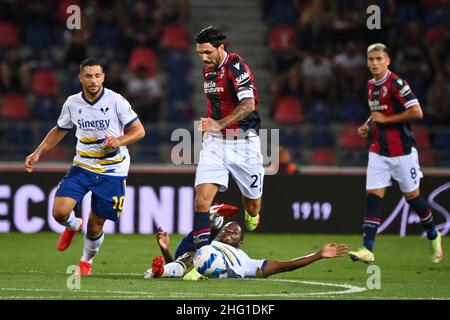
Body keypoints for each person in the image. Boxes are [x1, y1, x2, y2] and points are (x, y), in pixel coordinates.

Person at [24, 58, 145, 275]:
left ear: (103, 77)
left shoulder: (116, 100)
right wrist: (38, 152)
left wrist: (119, 141)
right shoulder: (72, 103)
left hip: (112, 170)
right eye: (88, 76)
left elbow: (139, 131)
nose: (93, 80)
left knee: (96, 225)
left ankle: (86, 261)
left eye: (97, 76)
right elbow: (60, 129)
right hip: (83, 165)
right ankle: (72, 225)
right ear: (80, 78)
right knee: (59, 212)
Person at [348, 43, 443, 264]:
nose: (374, 63)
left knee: (412, 197)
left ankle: (433, 234)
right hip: (378, 151)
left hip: (402, 151)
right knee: (373, 197)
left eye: (379, 59)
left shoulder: (397, 84)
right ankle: (368, 249)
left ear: (388, 60)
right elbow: (378, 113)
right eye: (371, 59)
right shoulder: (371, 85)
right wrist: (367, 126)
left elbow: (417, 112)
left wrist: (387, 120)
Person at [192, 25, 265, 250]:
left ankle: (252, 214)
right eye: (200, 54)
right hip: (215, 144)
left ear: (220, 47)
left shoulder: (236, 67)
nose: (203, 58)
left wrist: (219, 124)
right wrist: (209, 127)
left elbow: (248, 104)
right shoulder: (209, 71)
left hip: (244, 144)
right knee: (201, 201)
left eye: (207, 53)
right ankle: (199, 257)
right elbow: (216, 104)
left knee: (252, 208)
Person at [145, 221, 348, 280]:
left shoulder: (246, 260)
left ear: (240, 242)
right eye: (226, 229)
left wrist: (318, 255)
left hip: (222, 268)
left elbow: (282, 266)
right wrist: (165, 251)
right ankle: (162, 271)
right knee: (195, 253)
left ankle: (164, 271)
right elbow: (183, 259)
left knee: (200, 255)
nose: (228, 232)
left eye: (234, 232)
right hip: (194, 262)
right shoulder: (209, 243)